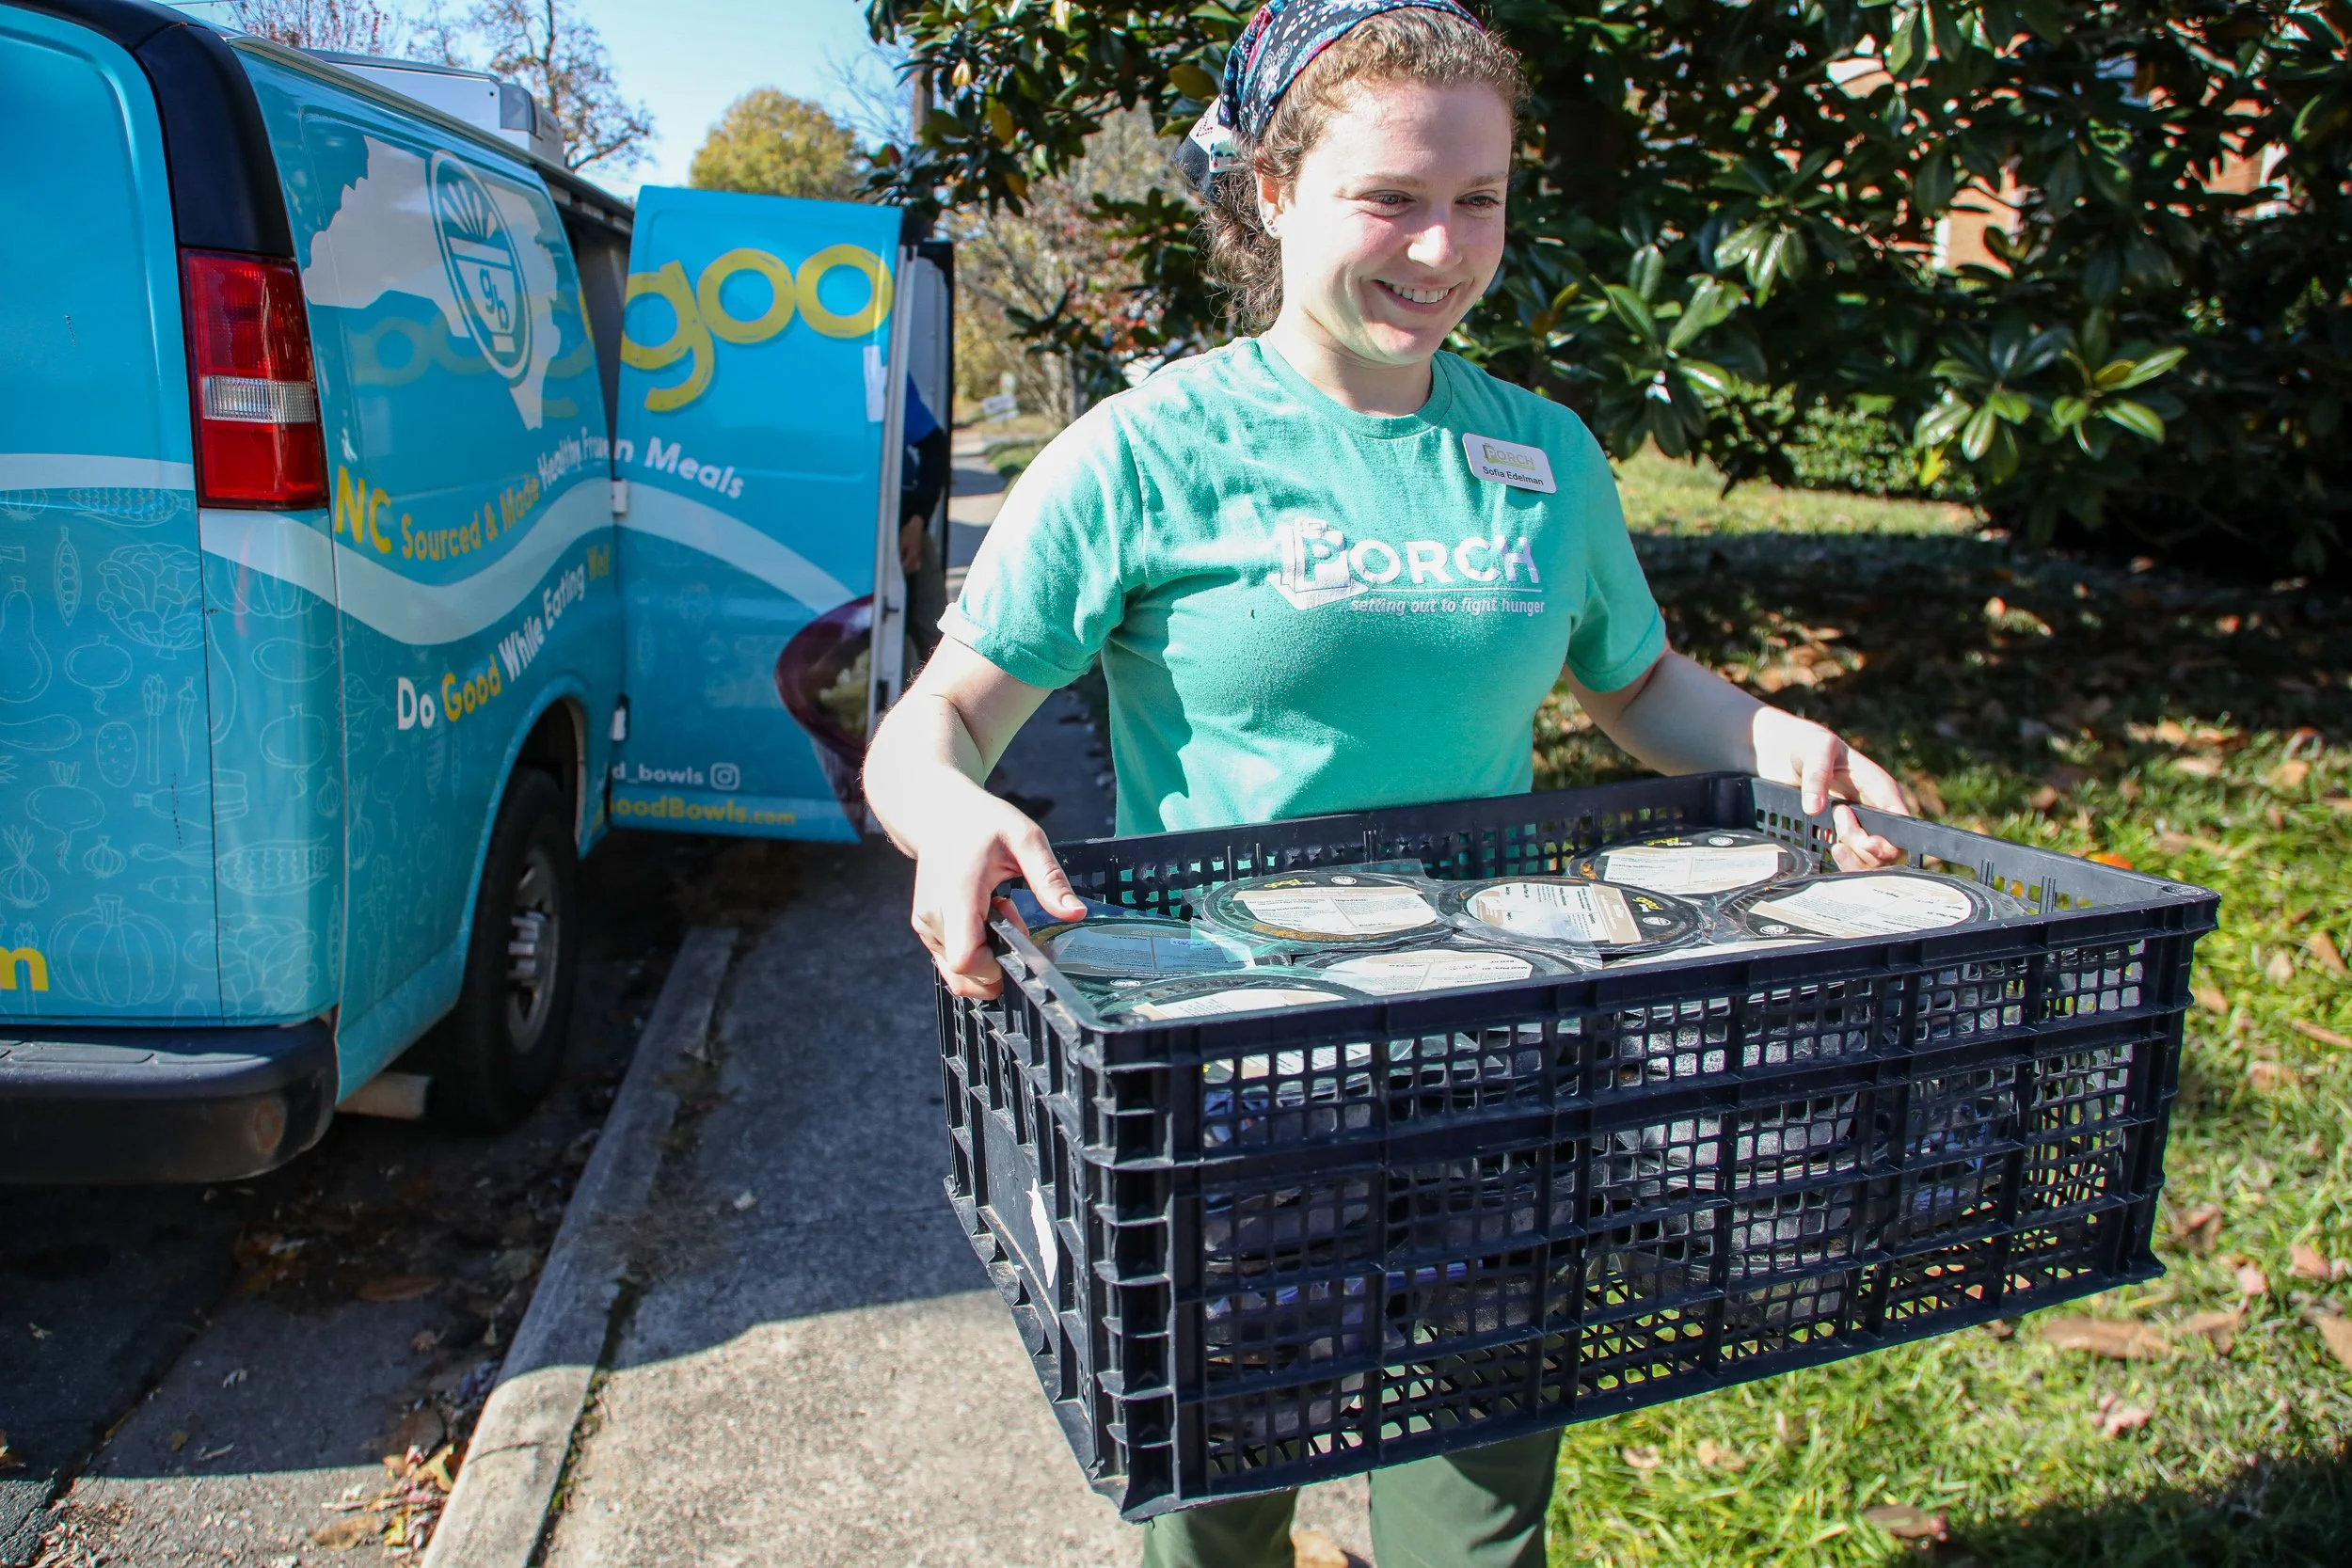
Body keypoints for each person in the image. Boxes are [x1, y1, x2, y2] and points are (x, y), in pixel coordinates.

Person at [865, 3, 1907, 1562]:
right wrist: (955, 813)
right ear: (1273, 192)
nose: (1440, 246)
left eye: (1476, 199)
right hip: (1241, 1061)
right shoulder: (1144, 453)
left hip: (1508, 1028)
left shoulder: (1543, 450)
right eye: (1390, 197)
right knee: (1220, 1473)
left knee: (1482, 1481)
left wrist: (1781, 743)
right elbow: (929, 722)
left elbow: (1632, 686)